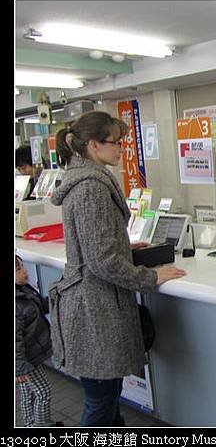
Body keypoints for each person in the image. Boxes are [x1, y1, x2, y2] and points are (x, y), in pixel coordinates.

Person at [48, 111, 186, 427]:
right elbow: (101, 262)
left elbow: (95, 247)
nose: (121, 148)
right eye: (115, 142)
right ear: (94, 146)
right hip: (94, 310)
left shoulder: (85, 181)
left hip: (93, 305)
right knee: (101, 401)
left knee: (107, 397)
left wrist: (124, 247)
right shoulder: (91, 188)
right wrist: (150, 277)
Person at [15, 254, 63, 427]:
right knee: (43, 392)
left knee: (27, 392)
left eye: (22, 266)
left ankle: (30, 424)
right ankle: (43, 426)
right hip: (26, 360)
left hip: (28, 356)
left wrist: (57, 294)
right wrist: (19, 368)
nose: (24, 271)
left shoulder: (24, 291)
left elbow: (41, 306)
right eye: (18, 269)